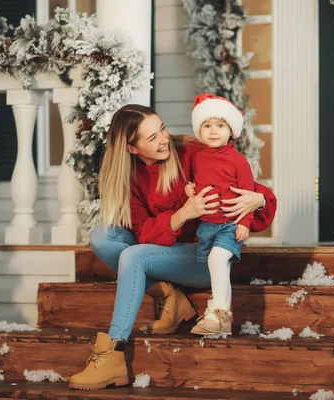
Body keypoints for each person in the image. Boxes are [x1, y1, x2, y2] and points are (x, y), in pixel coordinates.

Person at [68, 104, 276, 390]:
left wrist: (259, 199)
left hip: (203, 255)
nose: (164, 139)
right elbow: (143, 235)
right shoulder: (130, 177)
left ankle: (113, 353)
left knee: (133, 257)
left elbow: (249, 186)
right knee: (101, 237)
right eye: (152, 138)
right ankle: (169, 296)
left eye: (162, 128)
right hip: (165, 252)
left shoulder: (193, 151)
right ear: (132, 148)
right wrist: (182, 214)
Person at [185, 94, 259, 336]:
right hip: (207, 225)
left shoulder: (239, 161)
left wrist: (245, 223)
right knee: (218, 266)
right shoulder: (200, 158)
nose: (213, 131)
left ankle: (217, 311)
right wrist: (191, 190)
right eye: (207, 125)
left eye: (220, 125)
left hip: (230, 224)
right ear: (199, 130)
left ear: (231, 130)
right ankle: (222, 321)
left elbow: (248, 195)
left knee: (217, 260)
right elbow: (202, 183)